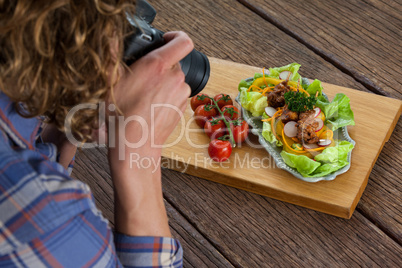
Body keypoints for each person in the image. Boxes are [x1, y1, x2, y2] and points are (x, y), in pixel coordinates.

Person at [0, 0, 193, 267]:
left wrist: (70, 119)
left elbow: (19, 156)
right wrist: (138, 156)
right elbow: (35, 198)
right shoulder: (42, 217)